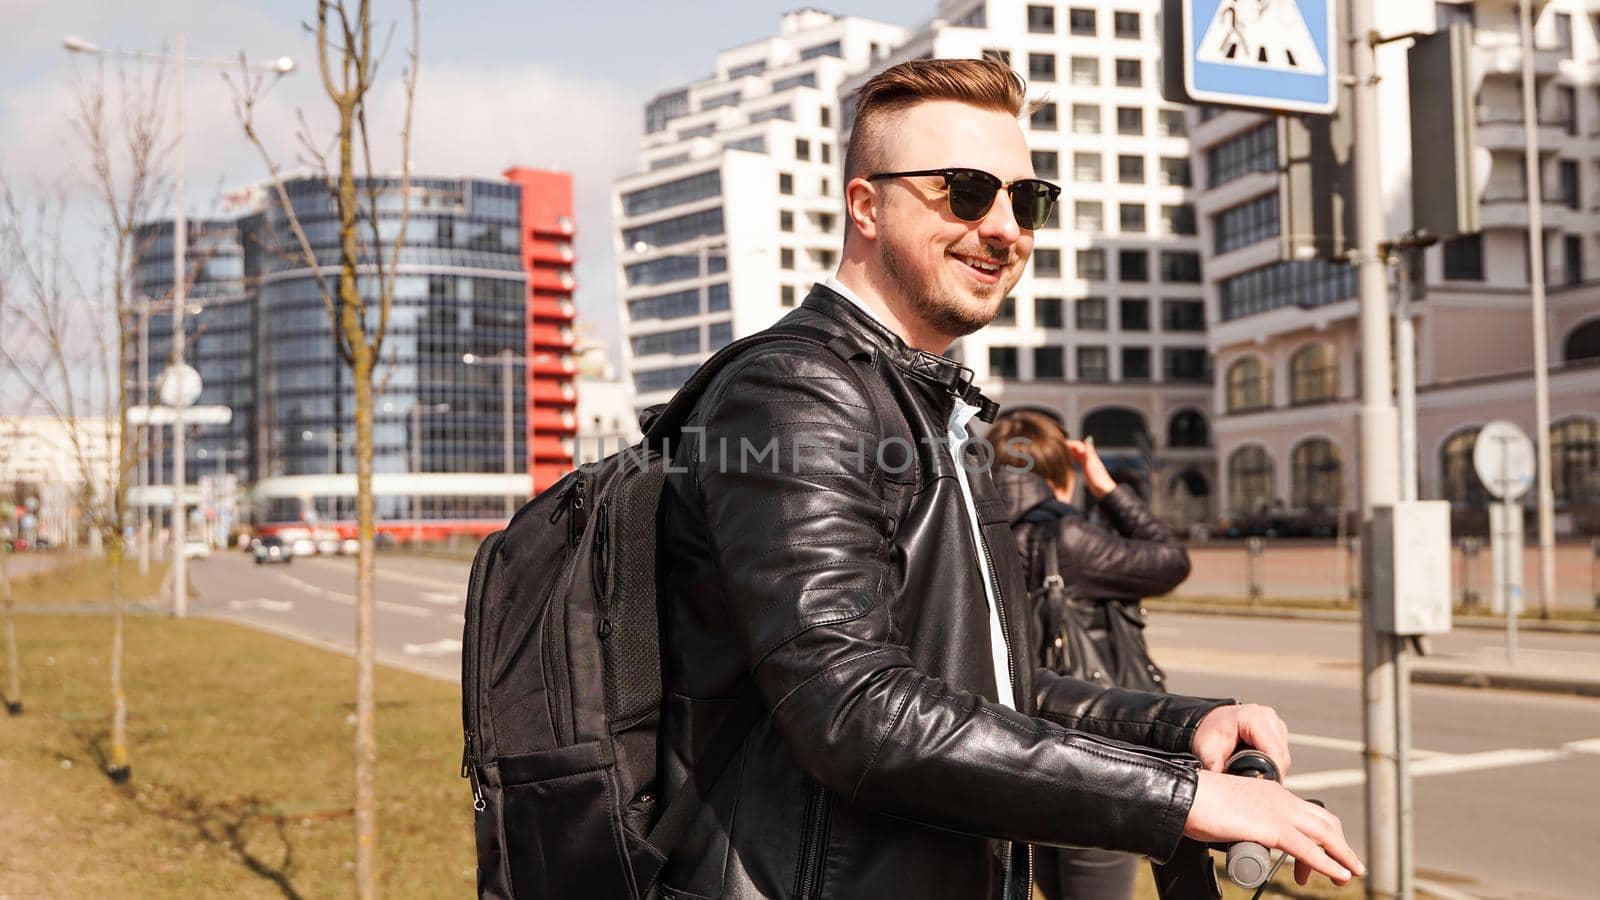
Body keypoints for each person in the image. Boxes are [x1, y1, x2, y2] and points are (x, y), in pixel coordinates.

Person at [656, 57, 1361, 899]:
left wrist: (1180, 729)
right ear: (866, 205)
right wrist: (1179, 799)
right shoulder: (800, 392)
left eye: (1025, 201)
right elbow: (852, 711)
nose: (1003, 228)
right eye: (964, 191)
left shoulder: (930, 404)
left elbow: (990, 689)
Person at [990, 406, 1192, 900]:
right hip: (1090, 754)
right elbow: (1170, 559)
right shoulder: (1070, 538)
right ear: (1059, 471)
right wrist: (1105, 487)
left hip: (1010, 752)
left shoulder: (973, 536)